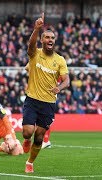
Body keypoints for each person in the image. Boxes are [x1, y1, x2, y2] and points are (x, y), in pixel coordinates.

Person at [22, 12, 70, 173]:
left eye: (52, 38)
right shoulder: (35, 54)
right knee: (27, 132)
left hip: (48, 103)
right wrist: (36, 29)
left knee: (40, 137)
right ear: (42, 40)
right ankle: (26, 140)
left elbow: (66, 80)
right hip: (32, 99)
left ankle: (30, 162)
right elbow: (30, 46)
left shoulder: (60, 60)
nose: (50, 40)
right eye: (47, 37)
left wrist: (60, 87)